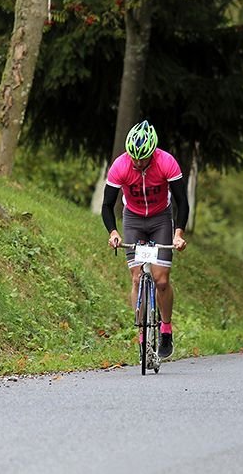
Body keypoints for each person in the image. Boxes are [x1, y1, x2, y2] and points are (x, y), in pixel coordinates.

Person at [102, 120, 189, 360]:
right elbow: (107, 206)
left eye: (144, 159)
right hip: (134, 221)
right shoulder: (120, 166)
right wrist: (113, 232)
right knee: (138, 278)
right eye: (134, 159)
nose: (138, 163)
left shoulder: (166, 162)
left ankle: (166, 330)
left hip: (161, 219)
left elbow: (182, 202)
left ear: (153, 153)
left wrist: (178, 233)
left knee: (161, 281)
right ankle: (141, 336)